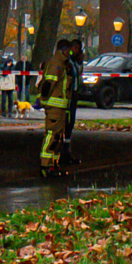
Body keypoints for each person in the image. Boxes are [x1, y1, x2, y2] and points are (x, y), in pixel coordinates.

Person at [38, 40, 73, 177]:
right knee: (52, 135)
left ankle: (53, 163)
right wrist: (45, 101)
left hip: (60, 107)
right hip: (54, 107)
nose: (70, 54)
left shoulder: (63, 65)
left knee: (58, 137)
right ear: (63, 50)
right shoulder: (57, 64)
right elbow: (48, 84)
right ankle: (45, 165)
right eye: (68, 51)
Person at [60, 39, 84, 166]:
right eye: (75, 48)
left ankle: (66, 151)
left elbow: (78, 75)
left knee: (70, 124)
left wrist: (80, 63)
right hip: (67, 97)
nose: (76, 51)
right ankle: (62, 153)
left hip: (73, 95)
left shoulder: (74, 63)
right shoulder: (66, 63)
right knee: (66, 123)